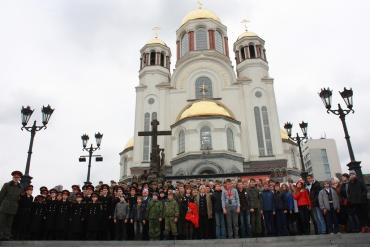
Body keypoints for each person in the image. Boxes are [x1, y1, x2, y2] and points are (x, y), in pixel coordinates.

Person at [0, 170, 23, 241]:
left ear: (19, 179)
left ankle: (7, 236)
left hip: (13, 208)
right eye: (15, 177)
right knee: (1, 222)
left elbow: (20, 198)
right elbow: (1, 196)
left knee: (9, 223)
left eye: (17, 177)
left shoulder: (21, 188)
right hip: (4, 207)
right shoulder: (6, 185)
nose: (16, 178)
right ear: (12, 177)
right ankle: (1, 235)